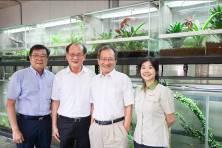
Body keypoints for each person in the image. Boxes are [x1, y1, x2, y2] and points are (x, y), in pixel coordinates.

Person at [6, 44, 54, 148]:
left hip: (45, 123)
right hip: (25, 123)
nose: (39, 58)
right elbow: (10, 104)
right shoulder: (19, 76)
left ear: (47, 58)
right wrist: (15, 130)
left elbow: (53, 101)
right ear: (30, 57)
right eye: (35, 55)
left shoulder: (52, 77)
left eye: (43, 56)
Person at [89, 45, 134, 148]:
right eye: (104, 59)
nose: (107, 62)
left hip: (116, 129)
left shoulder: (123, 79)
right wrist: (92, 126)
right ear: (98, 60)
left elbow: (129, 106)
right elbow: (93, 105)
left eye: (110, 59)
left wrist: (124, 130)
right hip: (96, 129)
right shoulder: (94, 80)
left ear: (115, 61)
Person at [51, 43, 94, 148]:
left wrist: (92, 125)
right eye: (72, 54)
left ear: (84, 56)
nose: (75, 57)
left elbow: (93, 104)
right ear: (67, 56)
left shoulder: (92, 76)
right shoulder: (59, 76)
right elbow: (55, 102)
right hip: (65, 122)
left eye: (79, 54)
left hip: (85, 122)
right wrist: (54, 126)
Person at [134, 58, 176, 148]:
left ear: (156, 71)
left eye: (150, 67)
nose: (146, 71)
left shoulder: (163, 91)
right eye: (143, 67)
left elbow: (171, 119)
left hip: (156, 142)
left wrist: (157, 129)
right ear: (140, 70)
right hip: (138, 140)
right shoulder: (138, 90)